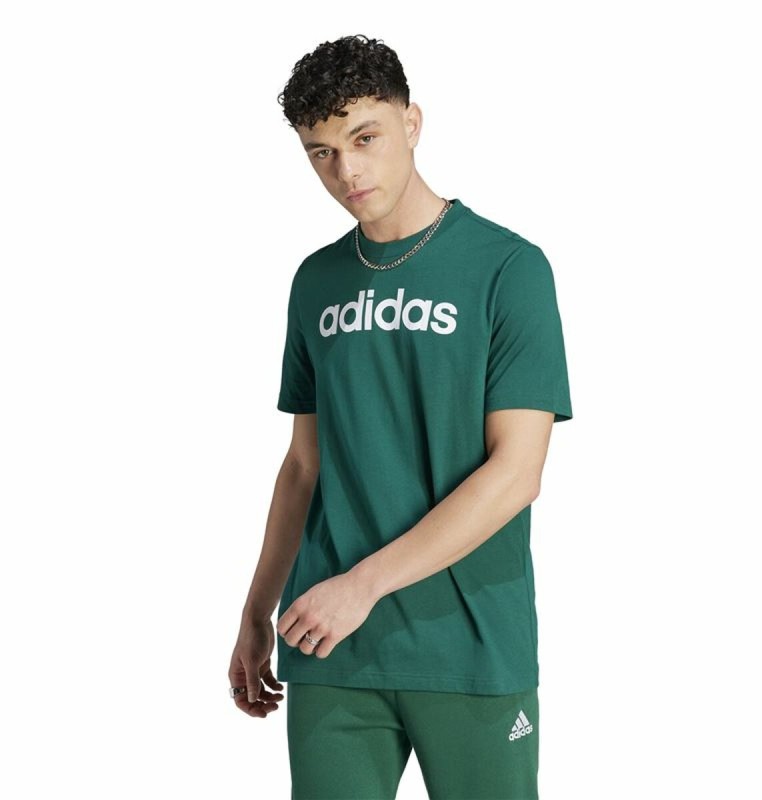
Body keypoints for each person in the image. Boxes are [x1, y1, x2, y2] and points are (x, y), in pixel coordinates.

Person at [228, 33, 573, 800]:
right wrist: (256, 612)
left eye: (365, 138)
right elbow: (303, 466)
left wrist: (364, 586)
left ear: (412, 123)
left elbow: (516, 473)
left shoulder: (508, 269)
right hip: (329, 645)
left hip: (469, 643)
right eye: (321, 153)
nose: (346, 171)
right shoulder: (316, 282)